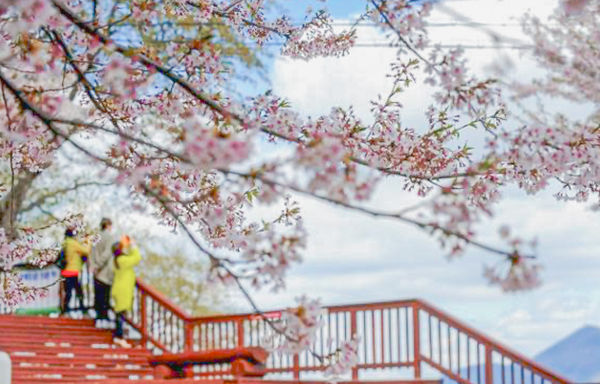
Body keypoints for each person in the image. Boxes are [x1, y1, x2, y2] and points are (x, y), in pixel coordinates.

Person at [110, 235, 141, 348]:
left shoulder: (118, 260)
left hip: (120, 289)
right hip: (122, 290)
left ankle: (119, 336)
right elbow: (136, 258)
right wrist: (133, 245)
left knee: (120, 313)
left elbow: (132, 257)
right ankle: (119, 337)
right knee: (121, 314)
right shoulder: (122, 260)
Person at [90, 218, 116, 328]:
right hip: (105, 271)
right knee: (105, 296)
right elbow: (107, 254)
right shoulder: (110, 237)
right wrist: (99, 265)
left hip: (95, 271)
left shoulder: (96, 237)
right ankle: (104, 318)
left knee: (97, 295)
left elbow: (91, 253)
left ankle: (98, 317)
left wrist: (93, 266)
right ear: (108, 225)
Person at [61, 228, 91, 315]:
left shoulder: (65, 243)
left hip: (66, 270)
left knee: (70, 291)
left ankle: (66, 309)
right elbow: (86, 251)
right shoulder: (73, 243)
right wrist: (88, 241)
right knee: (77, 291)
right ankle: (81, 308)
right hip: (72, 270)